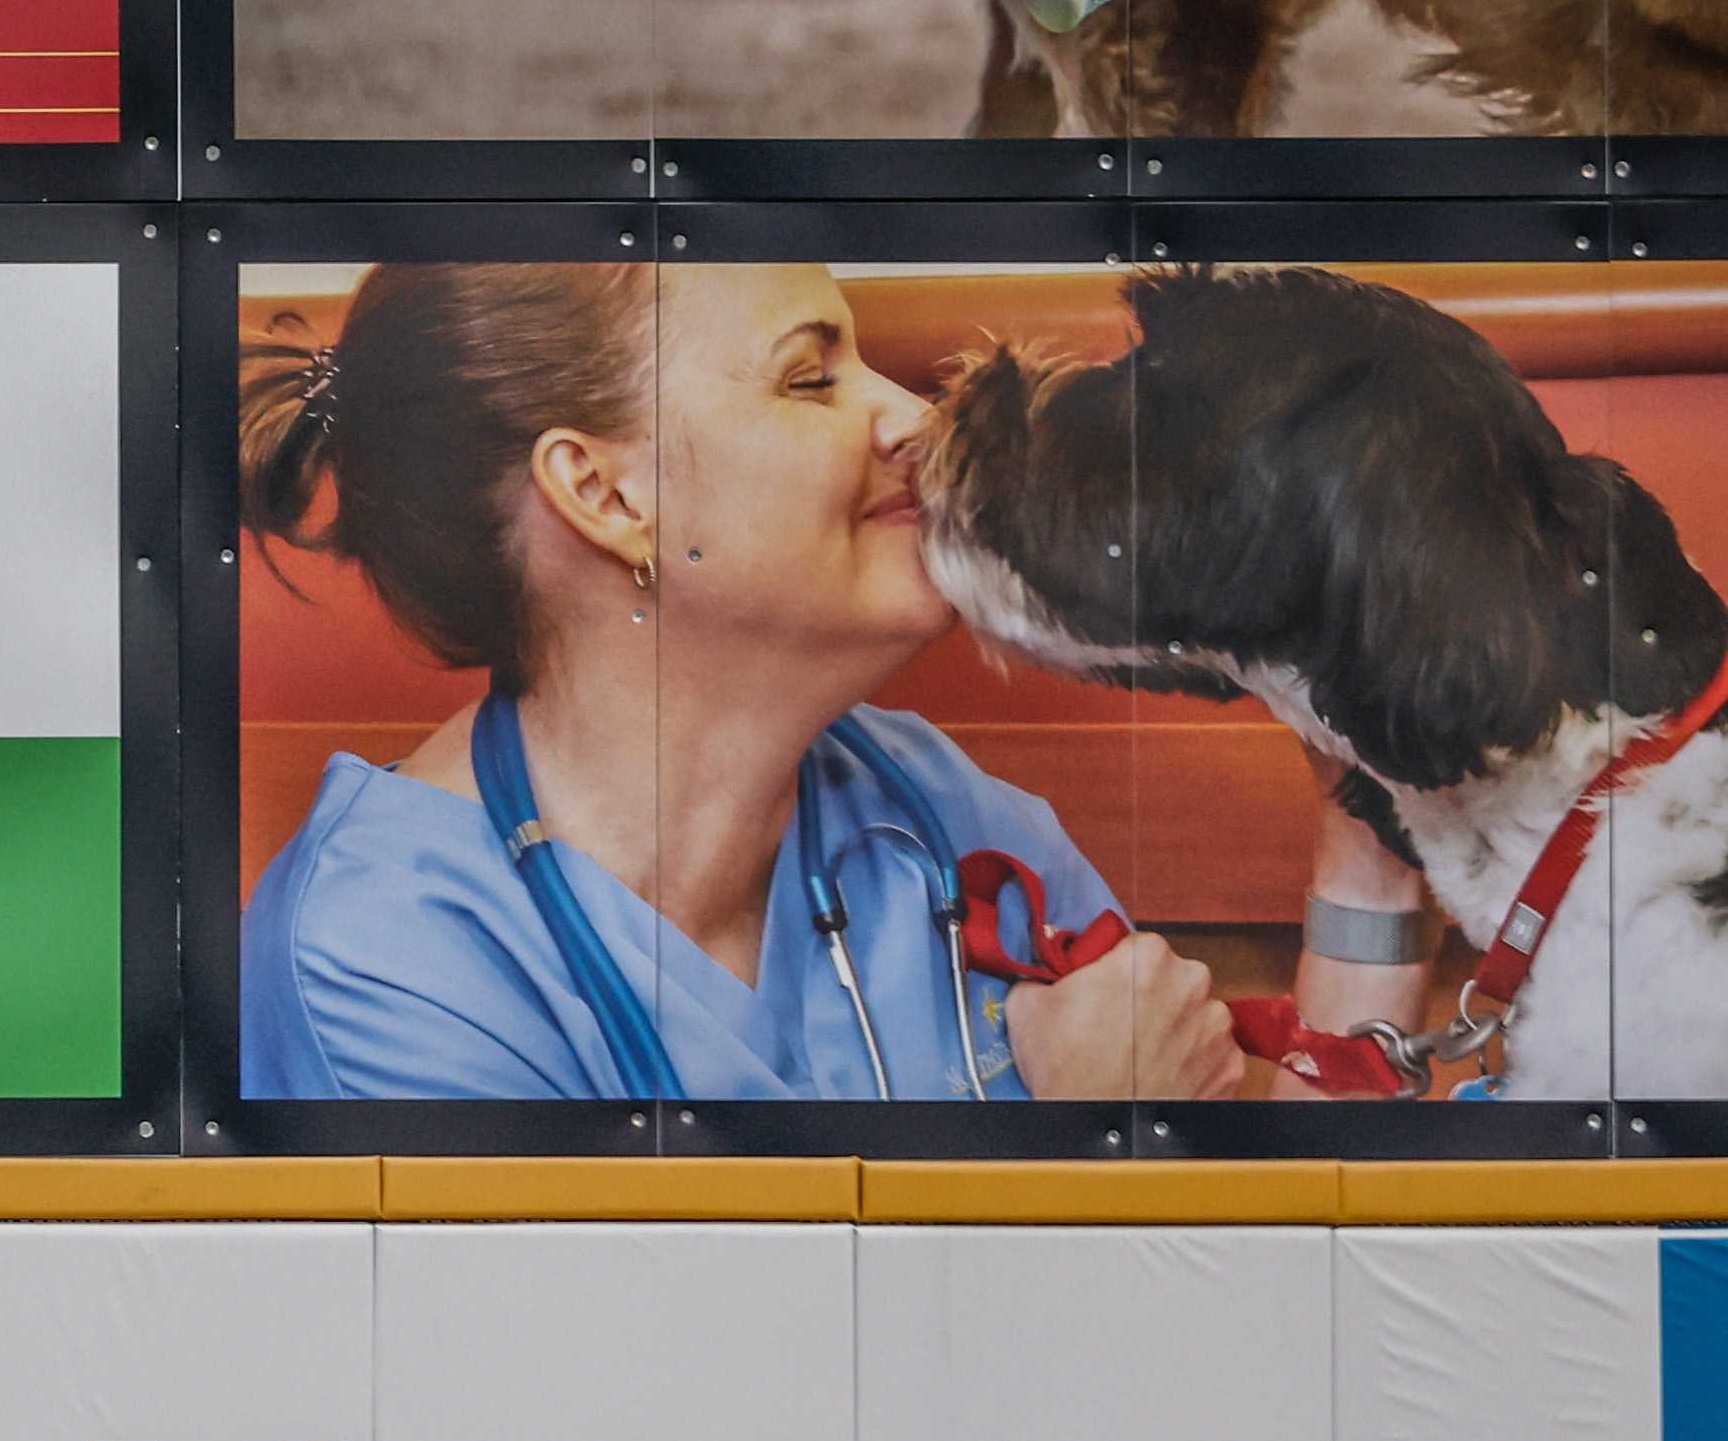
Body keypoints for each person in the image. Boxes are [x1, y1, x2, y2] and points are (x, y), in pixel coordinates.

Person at [236, 261, 1268, 1103]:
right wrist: (1081, 1155)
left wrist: (1368, 858)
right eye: (808, 381)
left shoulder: (933, 809)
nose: (914, 418)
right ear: (603, 494)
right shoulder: (378, 968)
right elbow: (583, 1361)